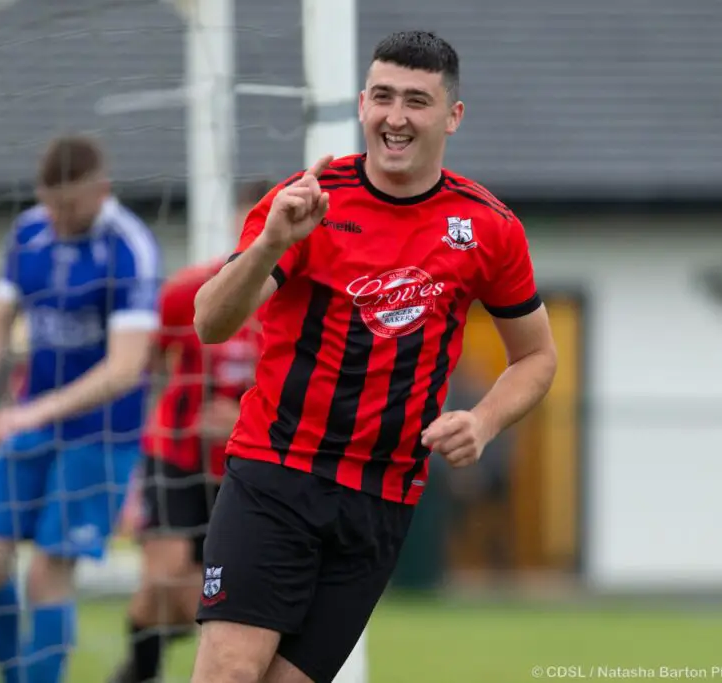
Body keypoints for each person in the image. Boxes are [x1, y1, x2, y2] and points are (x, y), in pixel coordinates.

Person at [190, 30, 559, 683]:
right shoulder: (307, 201)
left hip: (381, 499)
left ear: (453, 116)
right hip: (275, 475)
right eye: (383, 96)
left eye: (417, 101)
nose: (396, 117)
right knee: (229, 672)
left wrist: (483, 420)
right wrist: (271, 241)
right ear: (362, 104)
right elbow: (211, 322)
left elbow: (535, 357)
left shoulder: (487, 227)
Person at [0, 134, 161, 683]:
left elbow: (126, 368)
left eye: (69, 207)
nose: (57, 217)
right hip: (32, 421)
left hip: (99, 436)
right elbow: (0, 317)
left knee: (48, 572)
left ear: (102, 191)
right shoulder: (29, 231)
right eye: (50, 204)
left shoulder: (130, 247)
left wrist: (35, 411)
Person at [108, 182, 269, 683]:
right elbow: (141, 354)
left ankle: (145, 660)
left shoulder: (295, 305)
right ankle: (140, 668)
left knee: (202, 598)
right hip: (176, 454)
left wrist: (239, 417)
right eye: (247, 227)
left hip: (244, 466)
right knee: (164, 578)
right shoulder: (192, 289)